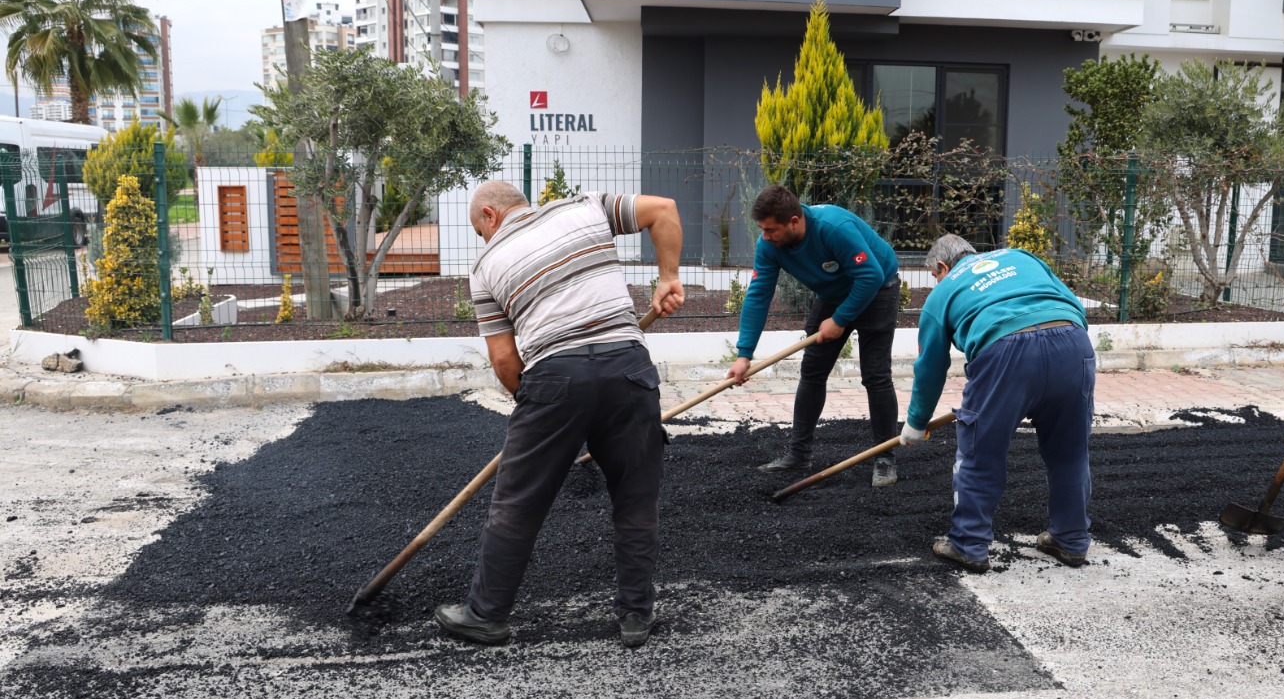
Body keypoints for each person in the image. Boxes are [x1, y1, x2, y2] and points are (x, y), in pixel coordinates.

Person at [434, 180, 685, 648]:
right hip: (629, 369)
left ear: (489, 215)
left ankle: (486, 615)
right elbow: (664, 207)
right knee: (635, 499)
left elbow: (506, 362)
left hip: (555, 377)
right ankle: (635, 616)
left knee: (518, 502)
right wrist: (668, 276)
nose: (484, 241)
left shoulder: (487, 266)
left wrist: (537, 406)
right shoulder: (588, 207)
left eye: (479, 230)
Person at [900, 235, 1094, 573]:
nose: (936, 281)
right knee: (1070, 452)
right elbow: (1071, 304)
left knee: (979, 452)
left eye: (934, 275)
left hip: (1005, 352)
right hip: (1073, 343)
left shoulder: (941, 294)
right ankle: (1071, 540)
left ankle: (968, 544)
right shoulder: (1022, 257)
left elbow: (930, 366)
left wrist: (916, 422)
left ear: (943, 267)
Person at [726, 184, 903, 486]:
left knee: (875, 375)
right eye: (762, 230)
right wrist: (744, 354)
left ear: (794, 221)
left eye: (771, 230)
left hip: (878, 289)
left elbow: (870, 275)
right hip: (834, 294)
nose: (765, 237)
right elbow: (758, 295)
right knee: (812, 371)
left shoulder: (833, 228)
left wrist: (840, 319)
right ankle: (799, 454)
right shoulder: (770, 245)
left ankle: (885, 458)